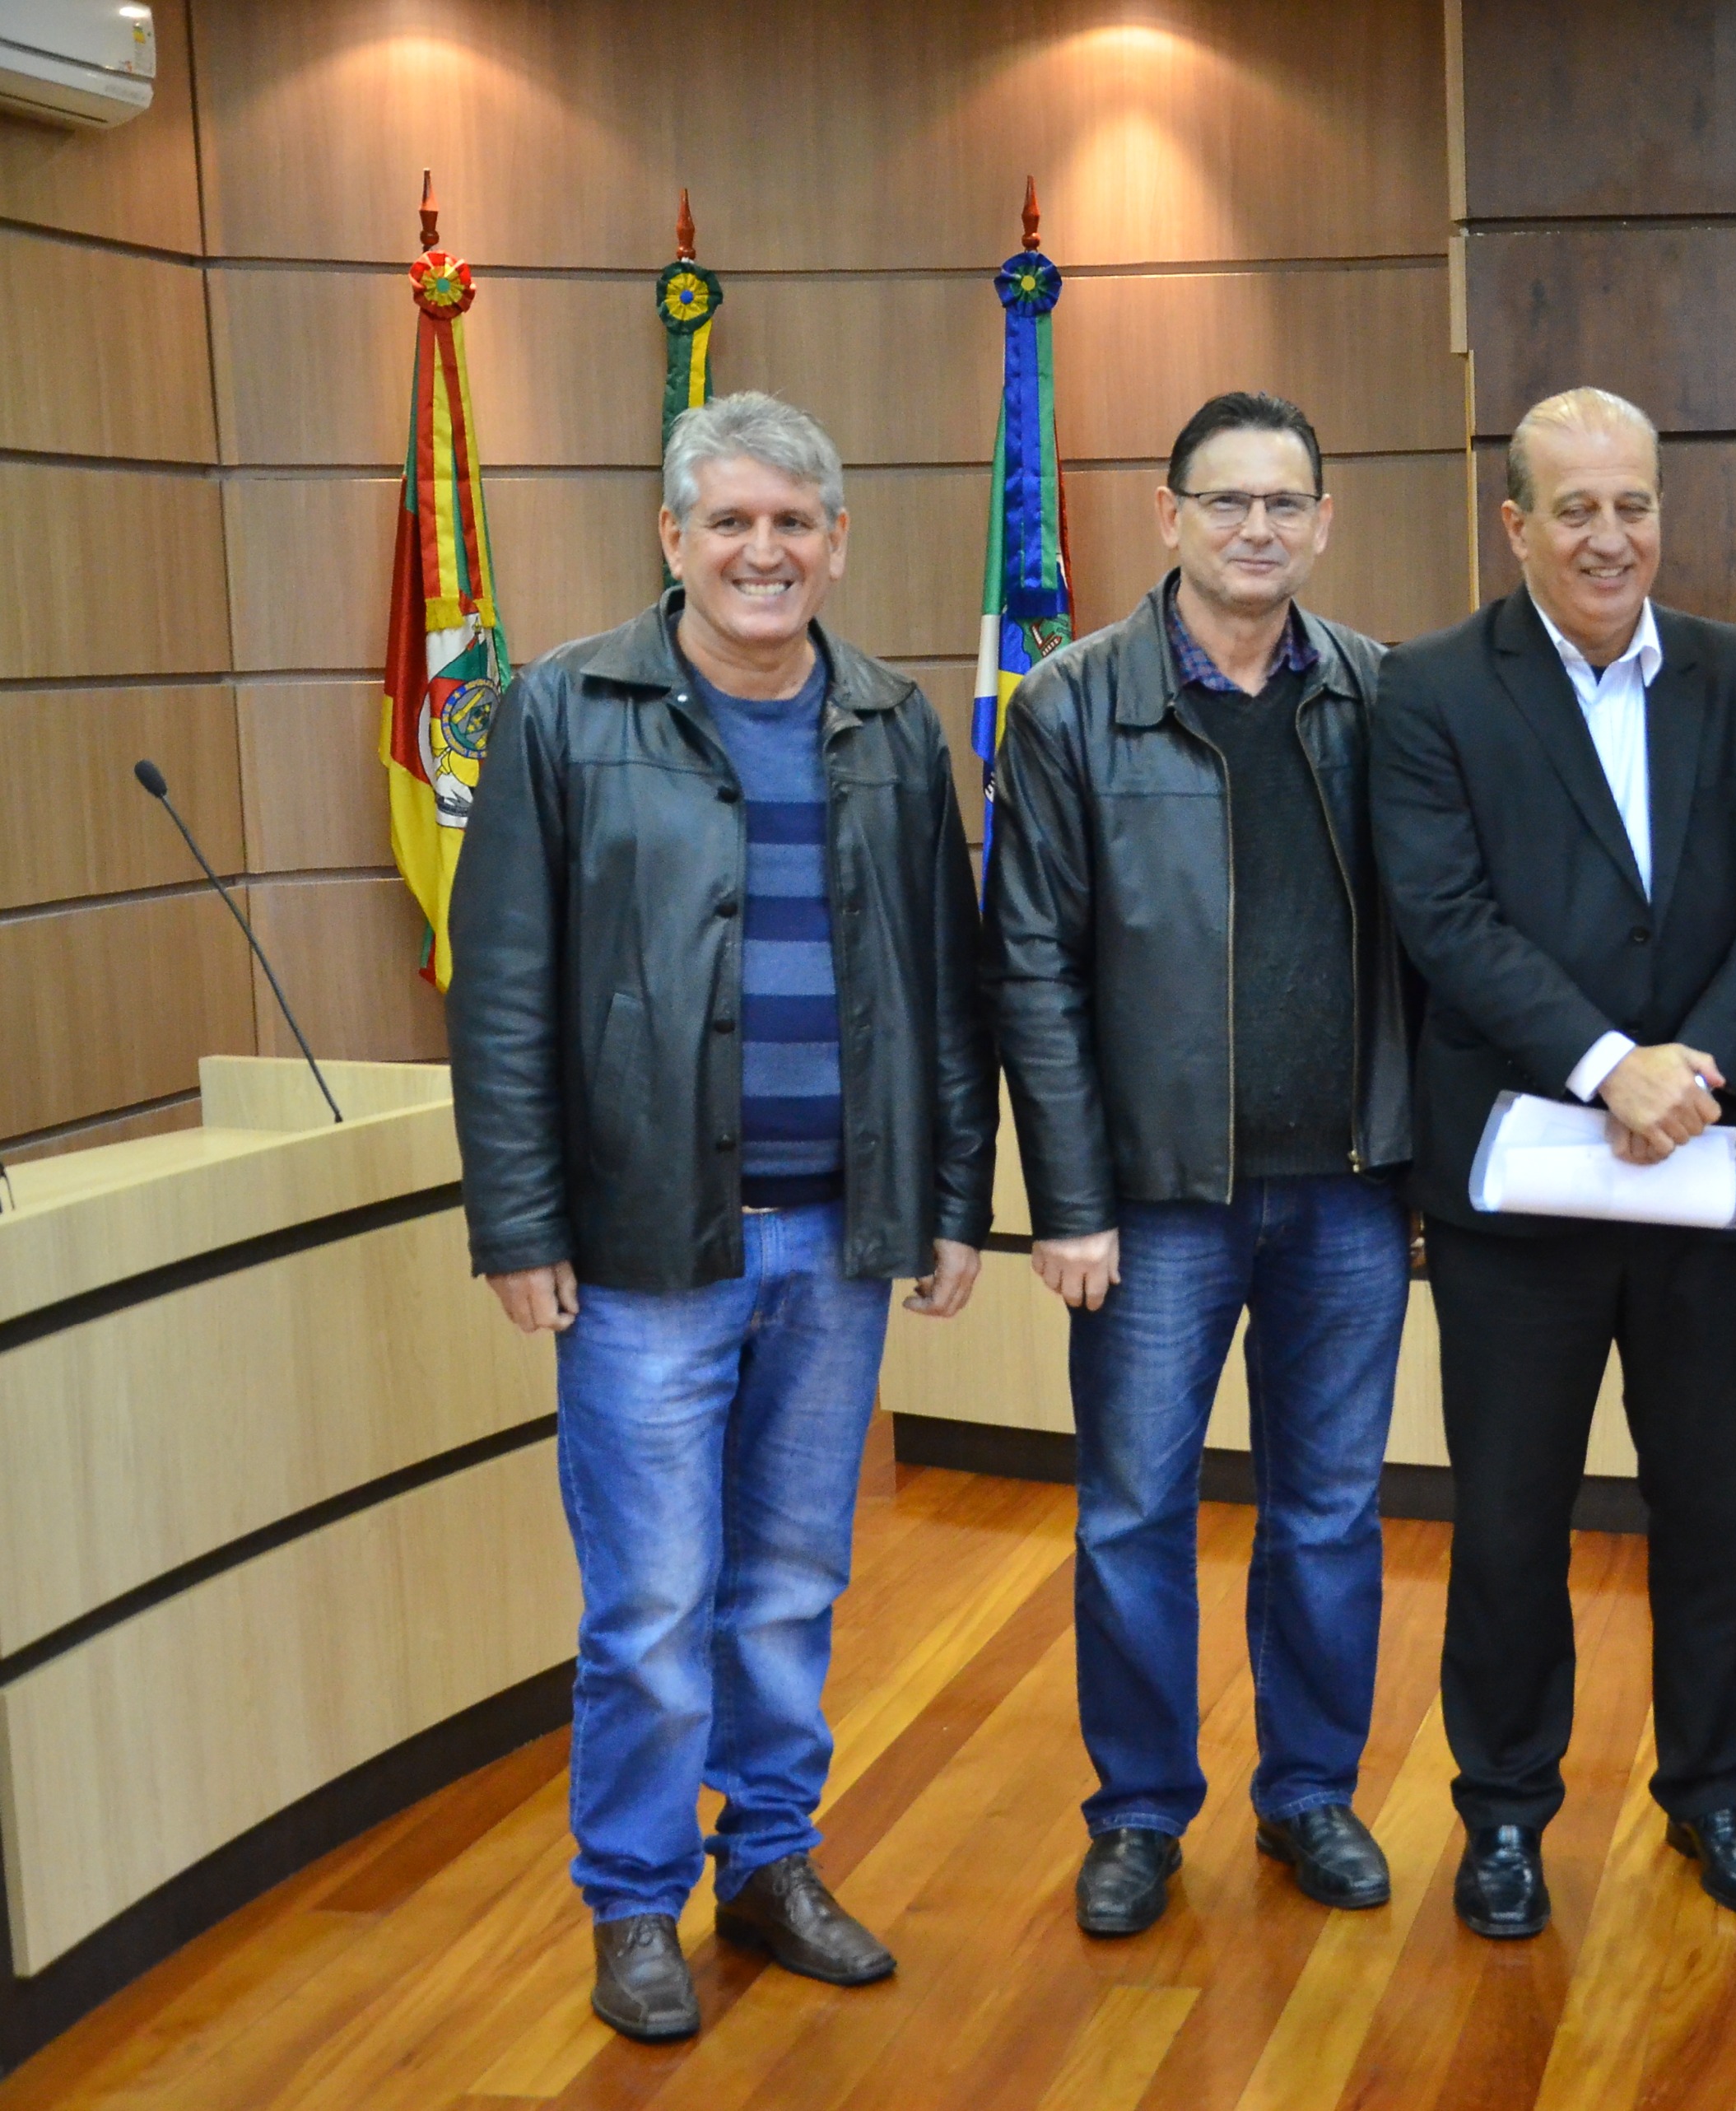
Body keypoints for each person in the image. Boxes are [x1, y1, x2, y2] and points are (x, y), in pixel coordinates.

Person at [449, 390, 994, 2041]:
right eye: (732, 521)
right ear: (672, 537)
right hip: (641, 1248)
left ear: (838, 543)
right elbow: (504, 990)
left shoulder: (892, 722)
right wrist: (517, 1222)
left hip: (838, 1239)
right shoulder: (565, 710)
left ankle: (768, 1863)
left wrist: (952, 1199)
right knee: (648, 1608)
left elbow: (946, 985)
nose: (765, 551)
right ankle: (633, 1901)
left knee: (788, 1585)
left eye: (793, 523)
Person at [1371, 386, 1736, 1939]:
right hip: (1519, 1195)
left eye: (1632, 504)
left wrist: (1688, 1070)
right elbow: (1444, 917)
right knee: (1510, 1521)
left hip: (1699, 1174)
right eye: (1575, 509)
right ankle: (1505, 1814)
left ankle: (1718, 1797)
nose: (1609, 536)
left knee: (1712, 1506)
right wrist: (1603, 1064)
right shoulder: (1433, 689)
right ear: (1516, 525)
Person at [984, 391, 1413, 1937]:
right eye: (1225, 501)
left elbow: (1438, 940)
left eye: (1284, 503)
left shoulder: (1382, 695)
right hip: (1156, 1204)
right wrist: (1069, 1200)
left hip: (1351, 1189)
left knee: (1330, 1514)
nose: (1255, 529)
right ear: (1168, 516)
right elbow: (1030, 966)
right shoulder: (1070, 705)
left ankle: (1309, 1794)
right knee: (1131, 1517)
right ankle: (1140, 1813)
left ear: (1324, 522)